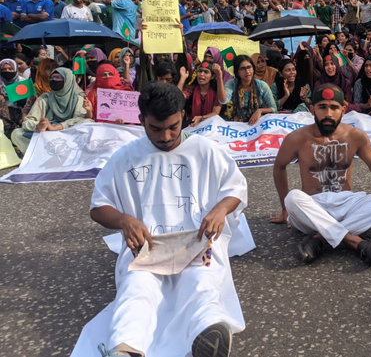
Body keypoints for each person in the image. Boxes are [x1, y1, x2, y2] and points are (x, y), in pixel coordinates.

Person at [71, 82, 253, 357]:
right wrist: (123, 220)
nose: (166, 136)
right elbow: (98, 207)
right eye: (155, 128)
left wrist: (219, 210)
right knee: (137, 289)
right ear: (142, 119)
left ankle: (207, 332)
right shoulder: (125, 157)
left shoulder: (206, 150)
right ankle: (125, 348)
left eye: (174, 126)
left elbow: (236, 189)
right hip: (146, 246)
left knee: (200, 283)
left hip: (196, 241)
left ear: (183, 116)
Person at [270, 83, 371, 265]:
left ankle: (319, 239)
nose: (328, 113)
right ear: (312, 109)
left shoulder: (356, 136)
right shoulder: (296, 138)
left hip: (347, 203)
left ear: (343, 109)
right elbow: (279, 167)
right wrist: (285, 209)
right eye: (322, 107)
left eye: (334, 107)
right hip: (313, 206)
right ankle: (355, 241)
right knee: (293, 198)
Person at [11, 67, 92, 154]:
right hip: (46, 133)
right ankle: (38, 155)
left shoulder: (78, 97)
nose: (53, 80)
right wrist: (37, 126)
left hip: (68, 132)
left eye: (57, 77)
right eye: (51, 77)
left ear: (68, 80)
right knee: (17, 133)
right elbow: (29, 120)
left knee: (89, 122)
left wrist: (56, 127)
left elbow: (79, 119)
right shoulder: (45, 97)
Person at [221, 55, 277, 125]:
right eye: (242, 69)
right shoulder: (232, 84)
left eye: (249, 67)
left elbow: (274, 108)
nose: (247, 72)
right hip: (235, 123)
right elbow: (223, 101)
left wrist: (260, 111)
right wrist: (219, 78)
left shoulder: (262, 85)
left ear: (253, 69)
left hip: (256, 123)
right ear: (237, 72)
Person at [180, 61, 227, 126]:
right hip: (192, 126)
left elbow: (215, 113)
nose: (202, 74)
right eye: (200, 71)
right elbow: (178, 97)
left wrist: (201, 118)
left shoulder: (216, 91)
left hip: (212, 126)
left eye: (206, 72)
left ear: (212, 76)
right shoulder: (191, 88)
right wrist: (182, 78)